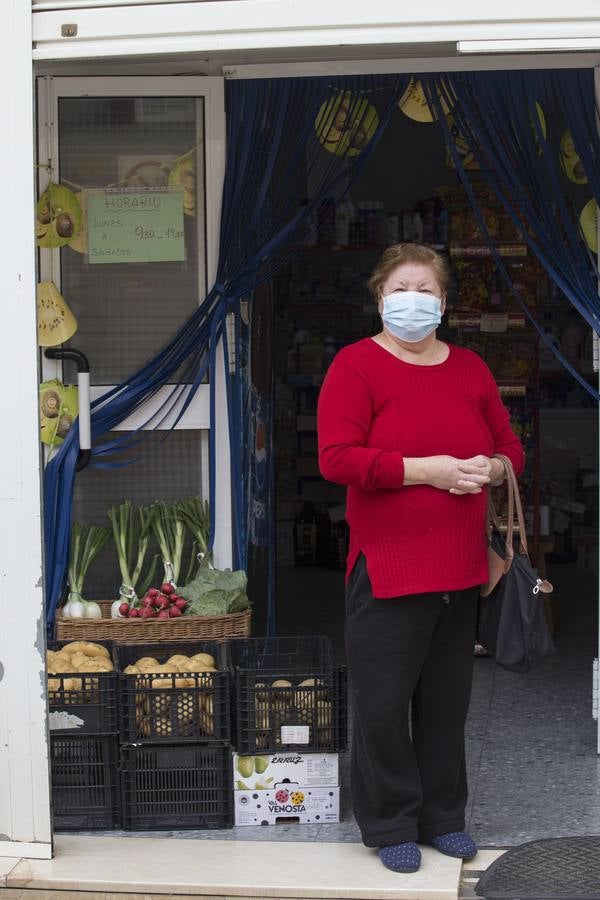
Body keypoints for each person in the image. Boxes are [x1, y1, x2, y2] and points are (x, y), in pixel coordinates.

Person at [317, 243, 524, 874]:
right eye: (400, 289)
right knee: (382, 705)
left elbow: (510, 448)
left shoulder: (471, 369)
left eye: (425, 289)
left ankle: (444, 817)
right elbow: (338, 458)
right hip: (387, 567)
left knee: (445, 705)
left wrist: (490, 468)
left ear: (443, 301)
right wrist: (424, 472)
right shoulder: (356, 367)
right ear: (381, 300)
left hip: (458, 569)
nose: (413, 299)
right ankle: (390, 822)